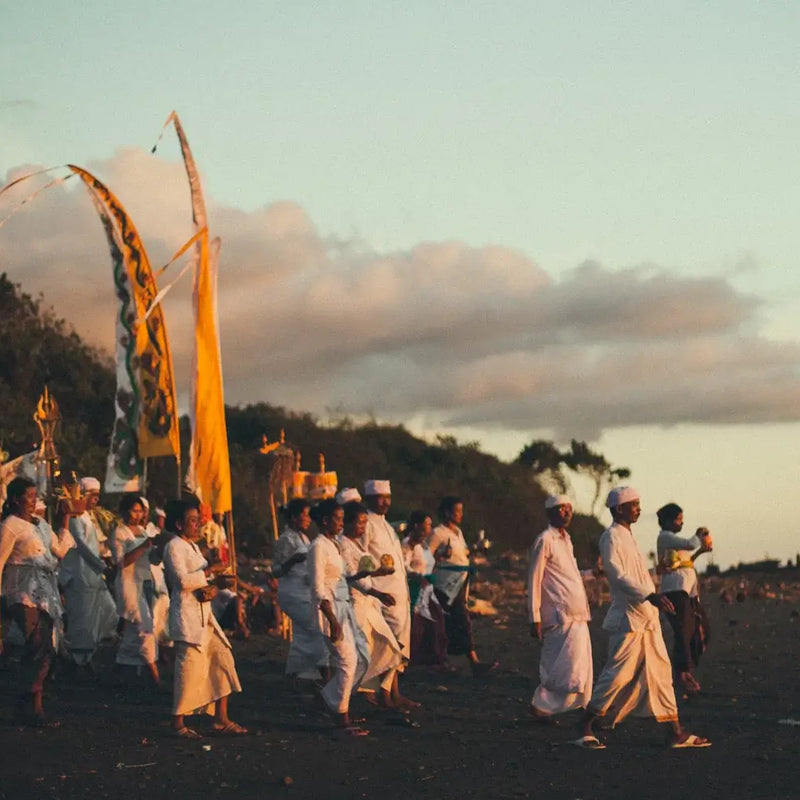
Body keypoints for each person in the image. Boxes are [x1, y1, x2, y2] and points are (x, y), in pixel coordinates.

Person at [576, 487, 710, 749]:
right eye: (633, 504)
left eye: (638, 503)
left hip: (647, 619)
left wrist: (654, 580)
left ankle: (676, 732)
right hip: (628, 619)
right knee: (617, 675)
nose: (638, 508)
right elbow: (618, 576)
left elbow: (636, 575)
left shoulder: (628, 536)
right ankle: (584, 725)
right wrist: (651, 595)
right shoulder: (611, 537)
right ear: (618, 509)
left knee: (661, 674)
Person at [163, 496, 245, 739]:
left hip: (205, 616)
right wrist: (210, 571)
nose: (197, 525)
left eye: (198, 520)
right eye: (192, 521)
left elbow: (204, 583)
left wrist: (217, 584)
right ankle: (178, 723)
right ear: (179, 524)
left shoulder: (193, 546)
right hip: (187, 617)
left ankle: (221, 719)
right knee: (188, 670)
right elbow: (182, 581)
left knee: (222, 659)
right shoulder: (174, 546)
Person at [0, 477, 75, 726]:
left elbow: (60, 551)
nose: (33, 501)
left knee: (44, 649)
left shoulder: (41, 524)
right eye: (29, 496)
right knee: (39, 641)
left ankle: (33, 706)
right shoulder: (10, 526)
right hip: (21, 590)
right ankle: (24, 701)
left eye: (34, 496)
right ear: (15, 500)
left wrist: (65, 518)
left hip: (45, 592)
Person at [527, 495, 593, 720]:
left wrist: (593, 574)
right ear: (550, 513)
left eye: (569, 509)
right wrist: (533, 616)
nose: (566, 513)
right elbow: (534, 579)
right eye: (560, 509)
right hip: (558, 614)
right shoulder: (545, 539)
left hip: (577, 614)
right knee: (557, 665)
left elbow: (570, 575)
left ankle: (564, 707)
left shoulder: (567, 540)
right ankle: (541, 705)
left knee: (576, 665)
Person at [308, 498, 369, 736]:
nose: (342, 523)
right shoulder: (318, 547)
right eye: (339, 519)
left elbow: (342, 577)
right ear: (325, 521)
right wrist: (332, 619)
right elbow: (317, 587)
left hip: (341, 608)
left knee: (356, 658)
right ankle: (340, 718)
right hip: (328, 610)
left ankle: (330, 702)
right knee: (347, 661)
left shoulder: (332, 545)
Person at [339, 501, 405, 707]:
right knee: (357, 655)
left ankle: (371, 692)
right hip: (353, 604)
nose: (362, 527)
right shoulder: (341, 544)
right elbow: (351, 576)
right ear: (346, 523)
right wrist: (376, 591)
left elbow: (364, 572)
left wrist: (379, 574)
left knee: (390, 647)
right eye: (359, 523)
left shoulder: (357, 544)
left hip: (368, 604)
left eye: (365, 523)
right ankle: (342, 700)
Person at [360, 479, 418, 708]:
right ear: (369, 499)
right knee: (388, 646)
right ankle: (383, 693)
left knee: (400, 645)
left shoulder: (387, 525)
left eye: (387, 498)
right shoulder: (366, 524)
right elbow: (361, 559)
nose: (385, 502)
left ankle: (392, 692)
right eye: (380, 498)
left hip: (398, 594)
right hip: (381, 595)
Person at [429, 495, 496, 676]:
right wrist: (440, 554)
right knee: (455, 621)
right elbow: (426, 556)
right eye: (456, 511)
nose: (460, 515)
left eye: (461, 511)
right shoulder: (437, 533)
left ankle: (447, 661)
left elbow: (462, 552)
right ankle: (471, 662)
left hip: (460, 583)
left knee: (452, 622)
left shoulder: (457, 532)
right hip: (444, 584)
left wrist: (475, 548)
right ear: (446, 512)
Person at [60, 477, 118, 672]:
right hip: (80, 576)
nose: (95, 500)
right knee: (82, 619)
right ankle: (78, 661)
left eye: (97, 496)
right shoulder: (76, 518)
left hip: (94, 576)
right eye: (92, 495)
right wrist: (103, 567)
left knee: (106, 613)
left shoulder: (89, 517)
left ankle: (87, 655)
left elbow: (95, 547)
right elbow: (83, 549)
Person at [656, 502, 712, 696]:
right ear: (668, 521)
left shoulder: (673, 541)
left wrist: (701, 551)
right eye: (679, 519)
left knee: (700, 628)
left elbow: (686, 562)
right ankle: (682, 673)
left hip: (688, 590)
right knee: (683, 631)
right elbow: (689, 543)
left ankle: (686, 669)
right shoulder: (665, 537)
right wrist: (699, 534)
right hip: (675, 590)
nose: (681, 522)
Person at [273, 498, 330, 682]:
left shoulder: (305, 537)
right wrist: (293, 560)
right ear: (294, 518)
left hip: (304, 590)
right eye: (305, 515)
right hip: (292, 592)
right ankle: (325, 674)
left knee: (303, 633)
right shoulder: (285, 539)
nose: (308, 519)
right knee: (316, 628)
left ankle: (298, 672)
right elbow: (275, 571)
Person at [111, 493, 160, 687]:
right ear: (124, 511)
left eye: (140, 511)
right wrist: (144, 546)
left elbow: (152, 559)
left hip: (144, 583)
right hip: (127, 584)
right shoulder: (119, 533)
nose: (137, 514)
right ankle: (155, 678)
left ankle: (120, 669)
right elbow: (120, 562)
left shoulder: (142, 529)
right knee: (143, 628)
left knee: (137, 630)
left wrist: (157, 550)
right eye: (134, 510)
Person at [401, 510, 449, 668]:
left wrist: (440, 556)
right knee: (421, 626)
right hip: (417, 589)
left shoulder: (423, 544)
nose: (430, 528)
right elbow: (404, 565)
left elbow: (428, 562)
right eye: (427, 524)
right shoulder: (408, 544)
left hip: (427, 588)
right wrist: (416, 576)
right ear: (417, 525)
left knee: (436, 623)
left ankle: (433, 659)